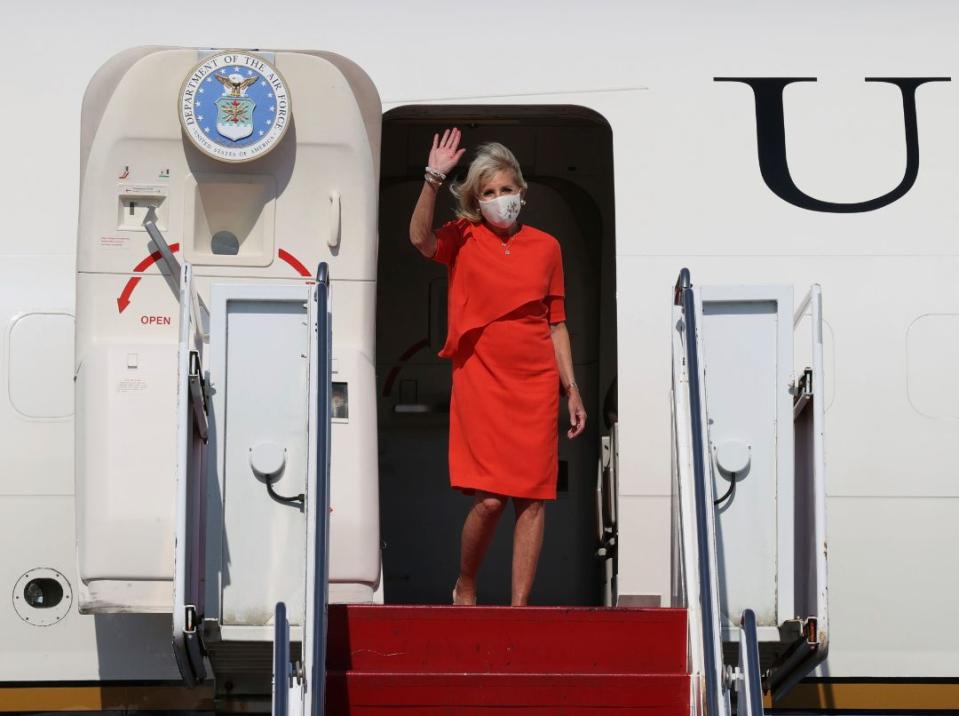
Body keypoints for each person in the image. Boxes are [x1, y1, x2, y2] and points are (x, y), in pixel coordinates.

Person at [409, 128, 587, 606]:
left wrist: (572, 388)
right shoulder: (462, 238)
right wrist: (432, 179)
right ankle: (465, 582)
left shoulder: (547, 247)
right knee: (489, 500)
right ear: (475, 200)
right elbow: (419, 239)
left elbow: (557, 323)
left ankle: (519, 609)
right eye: (488, 193)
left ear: (522, 193)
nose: (499, 199)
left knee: (533, 499)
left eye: (506, 190)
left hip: (536, 383)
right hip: (481, 381)